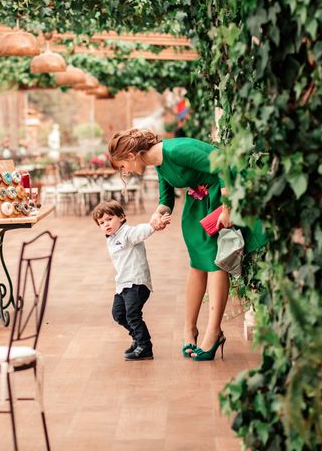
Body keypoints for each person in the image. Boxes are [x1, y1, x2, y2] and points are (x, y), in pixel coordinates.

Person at [107, 128, 266, 361]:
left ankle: (214, 333)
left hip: (220, 198)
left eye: (122, 166)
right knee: (197, 264)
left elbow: (223, 165)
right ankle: (189, 329)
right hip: (197, 206)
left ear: (131, 156)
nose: (126, 172)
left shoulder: (176, 150)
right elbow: (166, 199)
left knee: (215, 263)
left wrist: (228, 207)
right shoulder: (159, 162)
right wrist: (157, 214)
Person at [93, 200, 171, 361]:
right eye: (101, 222)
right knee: (118, 314)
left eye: (109, 219)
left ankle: (145, 346)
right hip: (123, 284)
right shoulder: (111, 237)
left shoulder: (127, 233)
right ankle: (137, 337)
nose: (106, 224)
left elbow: (140, 231)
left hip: (136, 282)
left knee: (133, 315)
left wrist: (153, 226)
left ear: (121, 217)